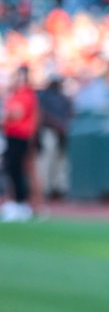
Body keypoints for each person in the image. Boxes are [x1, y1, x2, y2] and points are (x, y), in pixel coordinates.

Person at [2, 66, 39, 222]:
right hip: (11, 135)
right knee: (11, 169)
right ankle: (16, 202)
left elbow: (17, 114)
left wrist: (5, 118)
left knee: (17, 169)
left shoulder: (26, 95)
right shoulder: (14, 94)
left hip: (20, 136)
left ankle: (21, 203)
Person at [36, 76, 73, 200]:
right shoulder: (43, 97)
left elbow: (70, 113)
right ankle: (45, 189)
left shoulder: (64, 98)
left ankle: (59, 189)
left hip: (62, 133)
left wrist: (63, 125)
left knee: (61, 161)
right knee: (46, 160)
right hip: (48, 131)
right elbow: (41, 114)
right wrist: (58, 124)